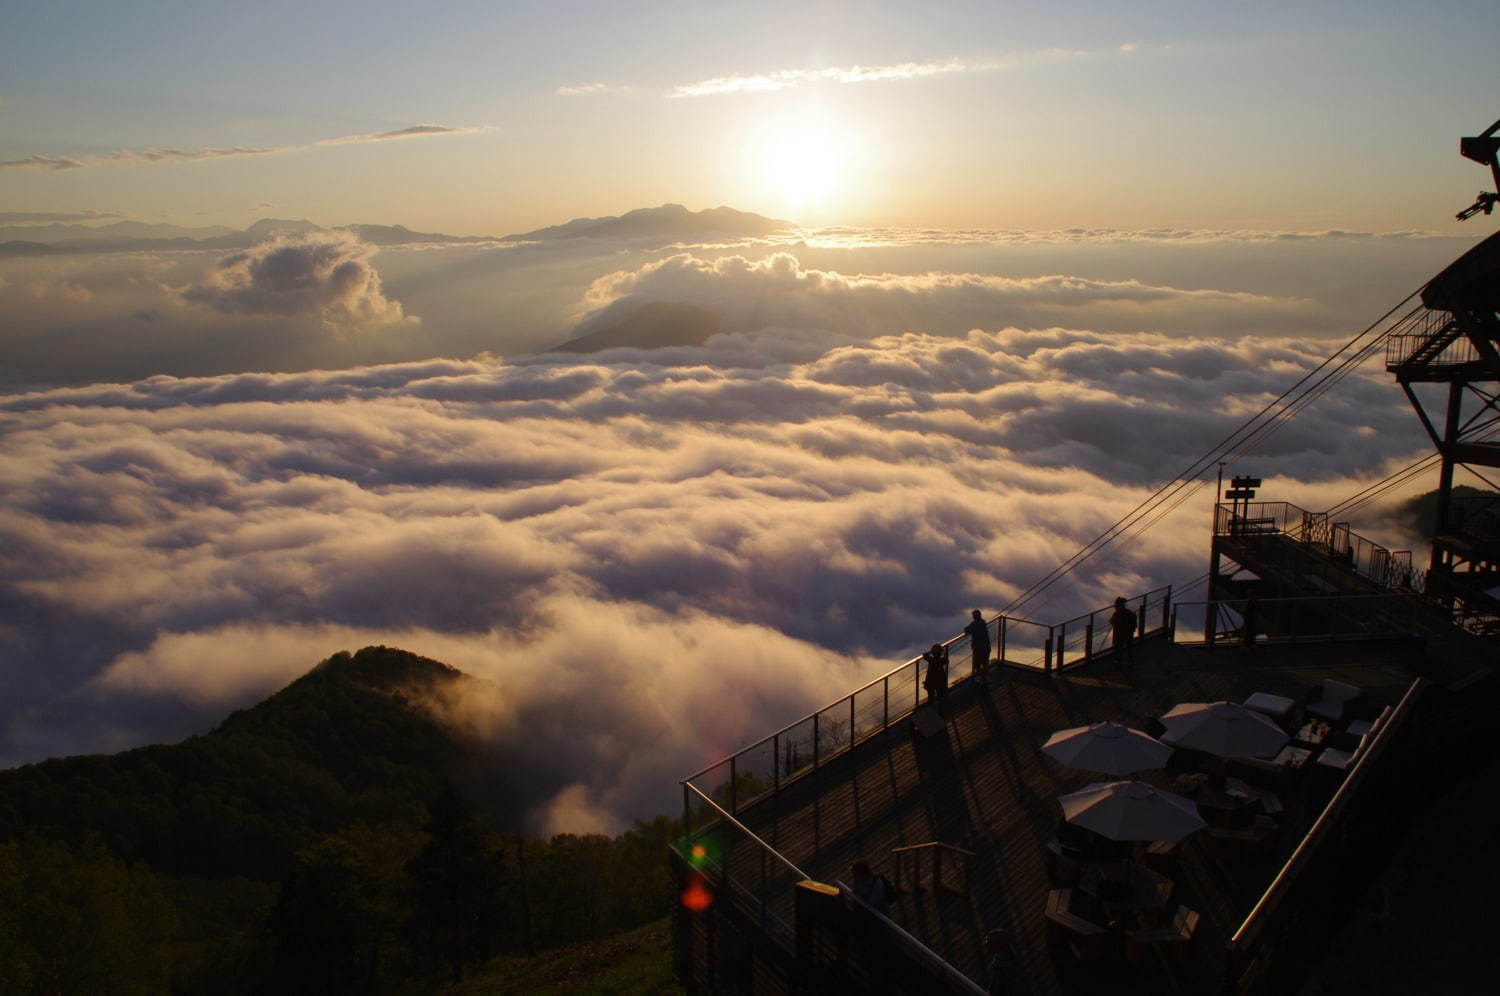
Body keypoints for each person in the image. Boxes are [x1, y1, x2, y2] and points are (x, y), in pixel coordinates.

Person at [985, 928, 1016, 995]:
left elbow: (996, 989)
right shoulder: (1009, 959)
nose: (986, 945)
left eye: (989, 942)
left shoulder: (999, 964)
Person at [1109, 597, 1137, 671]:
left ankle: (1121, 661)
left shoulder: (1120, 614)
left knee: (1121, 647)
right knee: (1125, 648)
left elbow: (1112, 621)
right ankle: (1126, 661)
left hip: (1122, 634)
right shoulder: (1127, 613)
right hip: (1125, 634)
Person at [964, 609, 992, 678]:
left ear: (974, 617)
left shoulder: (974, 624)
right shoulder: (983, 622)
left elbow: (967, 630)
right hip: (986, 647)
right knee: (985, 664)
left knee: (977, 665)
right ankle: (984, 678)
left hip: (978, 648)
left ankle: (982, 678)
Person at [921, 643, 949, 708]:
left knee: (930, 697)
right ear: (940, 653)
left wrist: (931, 651)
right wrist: (943, 652)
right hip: (940, 680)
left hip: (931, 681)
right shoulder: (941, 660)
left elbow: (924, 655)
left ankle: (931, 710)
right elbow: (946, 660)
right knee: (940, 696)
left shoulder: (931, 660)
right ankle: (941, 710)